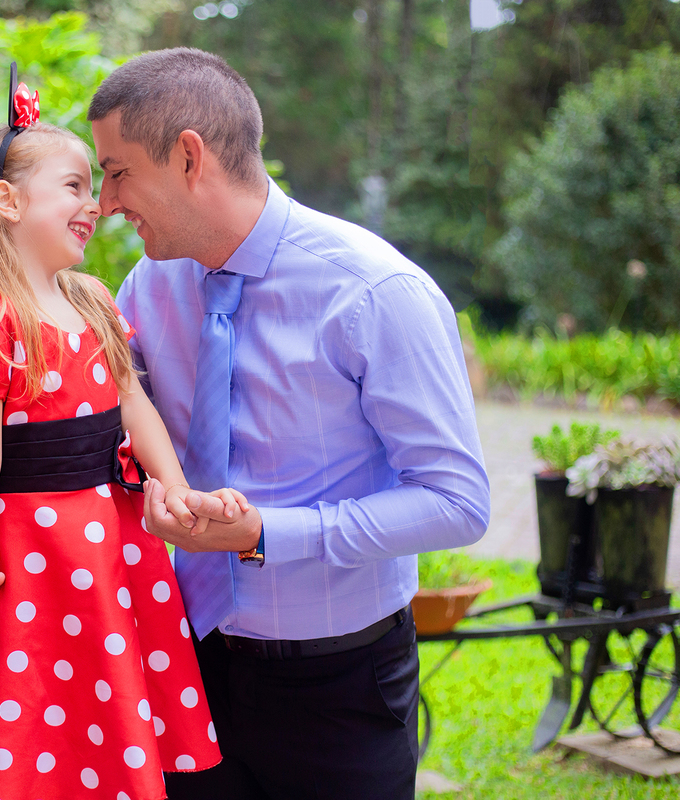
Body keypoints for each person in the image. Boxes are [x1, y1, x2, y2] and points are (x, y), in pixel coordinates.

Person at [82, 48, 492, 800]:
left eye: (117, 171)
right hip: (186, 664)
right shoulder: (145, 285)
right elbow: (95, 427)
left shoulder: (375, 292)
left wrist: (268, 535)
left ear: (188, 157)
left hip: (339, 689)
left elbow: (458, 502)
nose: (106, 201)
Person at [0, 81, 242, 800]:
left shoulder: (92, 299)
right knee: (33, 714)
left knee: (110, 700)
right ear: (8, 203)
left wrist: (178, 489)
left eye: (94, 186)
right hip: (36, 554)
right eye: (73, 185)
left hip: (115, 545)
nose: (93, 203)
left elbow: (134, 406)